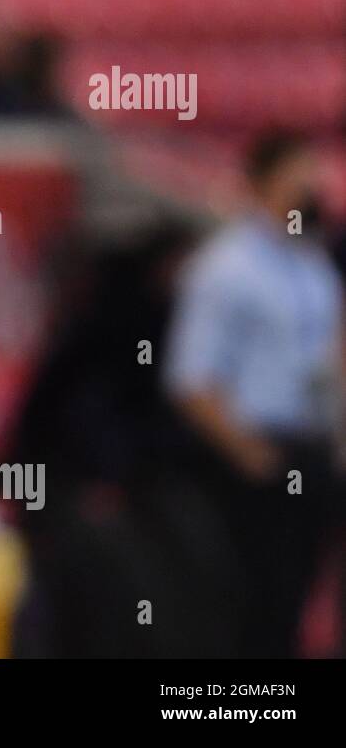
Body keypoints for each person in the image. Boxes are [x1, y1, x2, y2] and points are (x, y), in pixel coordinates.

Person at [164, 127, 344, 657]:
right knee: (251, 604)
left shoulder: (312, 263)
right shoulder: (225, 269)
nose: (309, 194)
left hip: (309, 448)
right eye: (297, 182)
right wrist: (251, 457)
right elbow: (192, 377)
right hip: (254, 455)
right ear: (261, 185)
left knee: (295, 601)